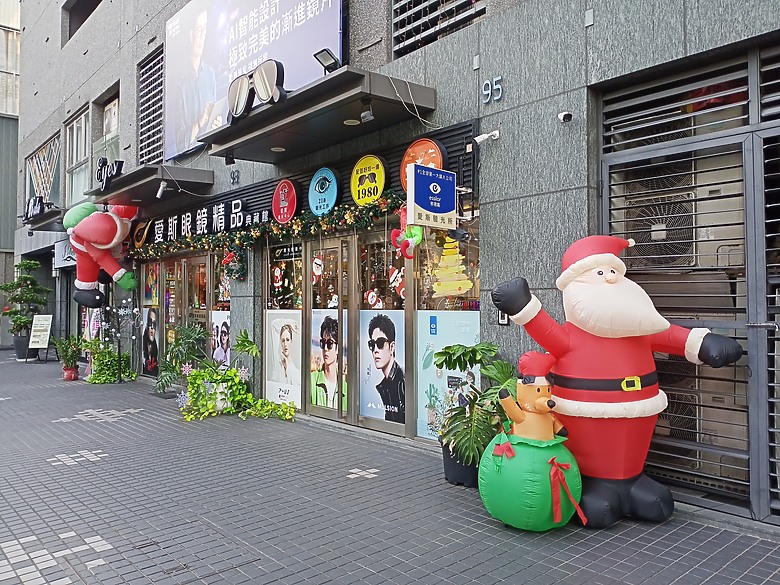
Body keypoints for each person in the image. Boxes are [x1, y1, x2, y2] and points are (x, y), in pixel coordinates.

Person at [491, 235, 743, 529]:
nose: (610, 278)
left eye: (614, 271)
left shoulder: (638, 328)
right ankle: (591, 482)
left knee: (641, 470)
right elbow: (546, 331)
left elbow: (670, 335)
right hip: (585, 414)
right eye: (600, 272)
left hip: (640, 410)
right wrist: (523, 307)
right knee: (598, 490)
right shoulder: (572, 336)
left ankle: (631, 481)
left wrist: (704, 343)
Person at [175, 6, 221, 153]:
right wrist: (201, 121)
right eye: (199, 30)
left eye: (205, 29)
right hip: (190, 153)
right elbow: (180, 143)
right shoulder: (180, 82)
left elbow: (214, 116)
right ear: (191, 35)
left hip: (211, 148)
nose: (202, 36)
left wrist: (216, 124)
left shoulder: (211, 74)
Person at [368, 314, 405, 423]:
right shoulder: (384, 386)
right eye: (372, 344)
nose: (375, 350)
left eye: (380, 343)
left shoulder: (403, 381)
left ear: (392, 347)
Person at [311, 316, 347, 410]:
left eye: (330, 344)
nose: (325, 348)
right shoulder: (312, 380)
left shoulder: (345, 389)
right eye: (323, 343)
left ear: (338, 348)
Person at [142, 308, 158, 376]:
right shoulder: (142, 346)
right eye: (150, 323)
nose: (152, 327)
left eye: (154, 324)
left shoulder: (156, 349)